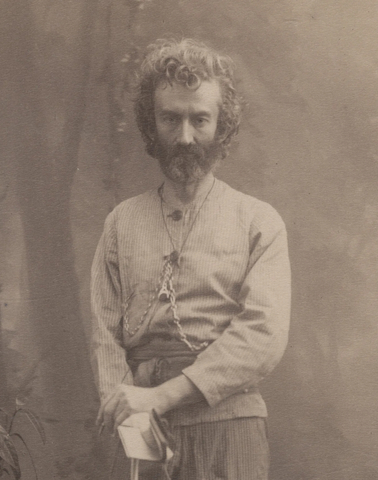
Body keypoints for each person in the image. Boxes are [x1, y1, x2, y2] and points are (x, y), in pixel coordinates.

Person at [90, 38, 291, 479]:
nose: (184, 137)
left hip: (228, 429)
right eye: (170, 119)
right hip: (142, 425)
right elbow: (106, 337)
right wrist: (136, 423)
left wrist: (161, 397)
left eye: (200, 119)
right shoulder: (121, 224)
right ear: (152, 124)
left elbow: (263, 336)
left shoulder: (258, 222)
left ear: (222, 125)